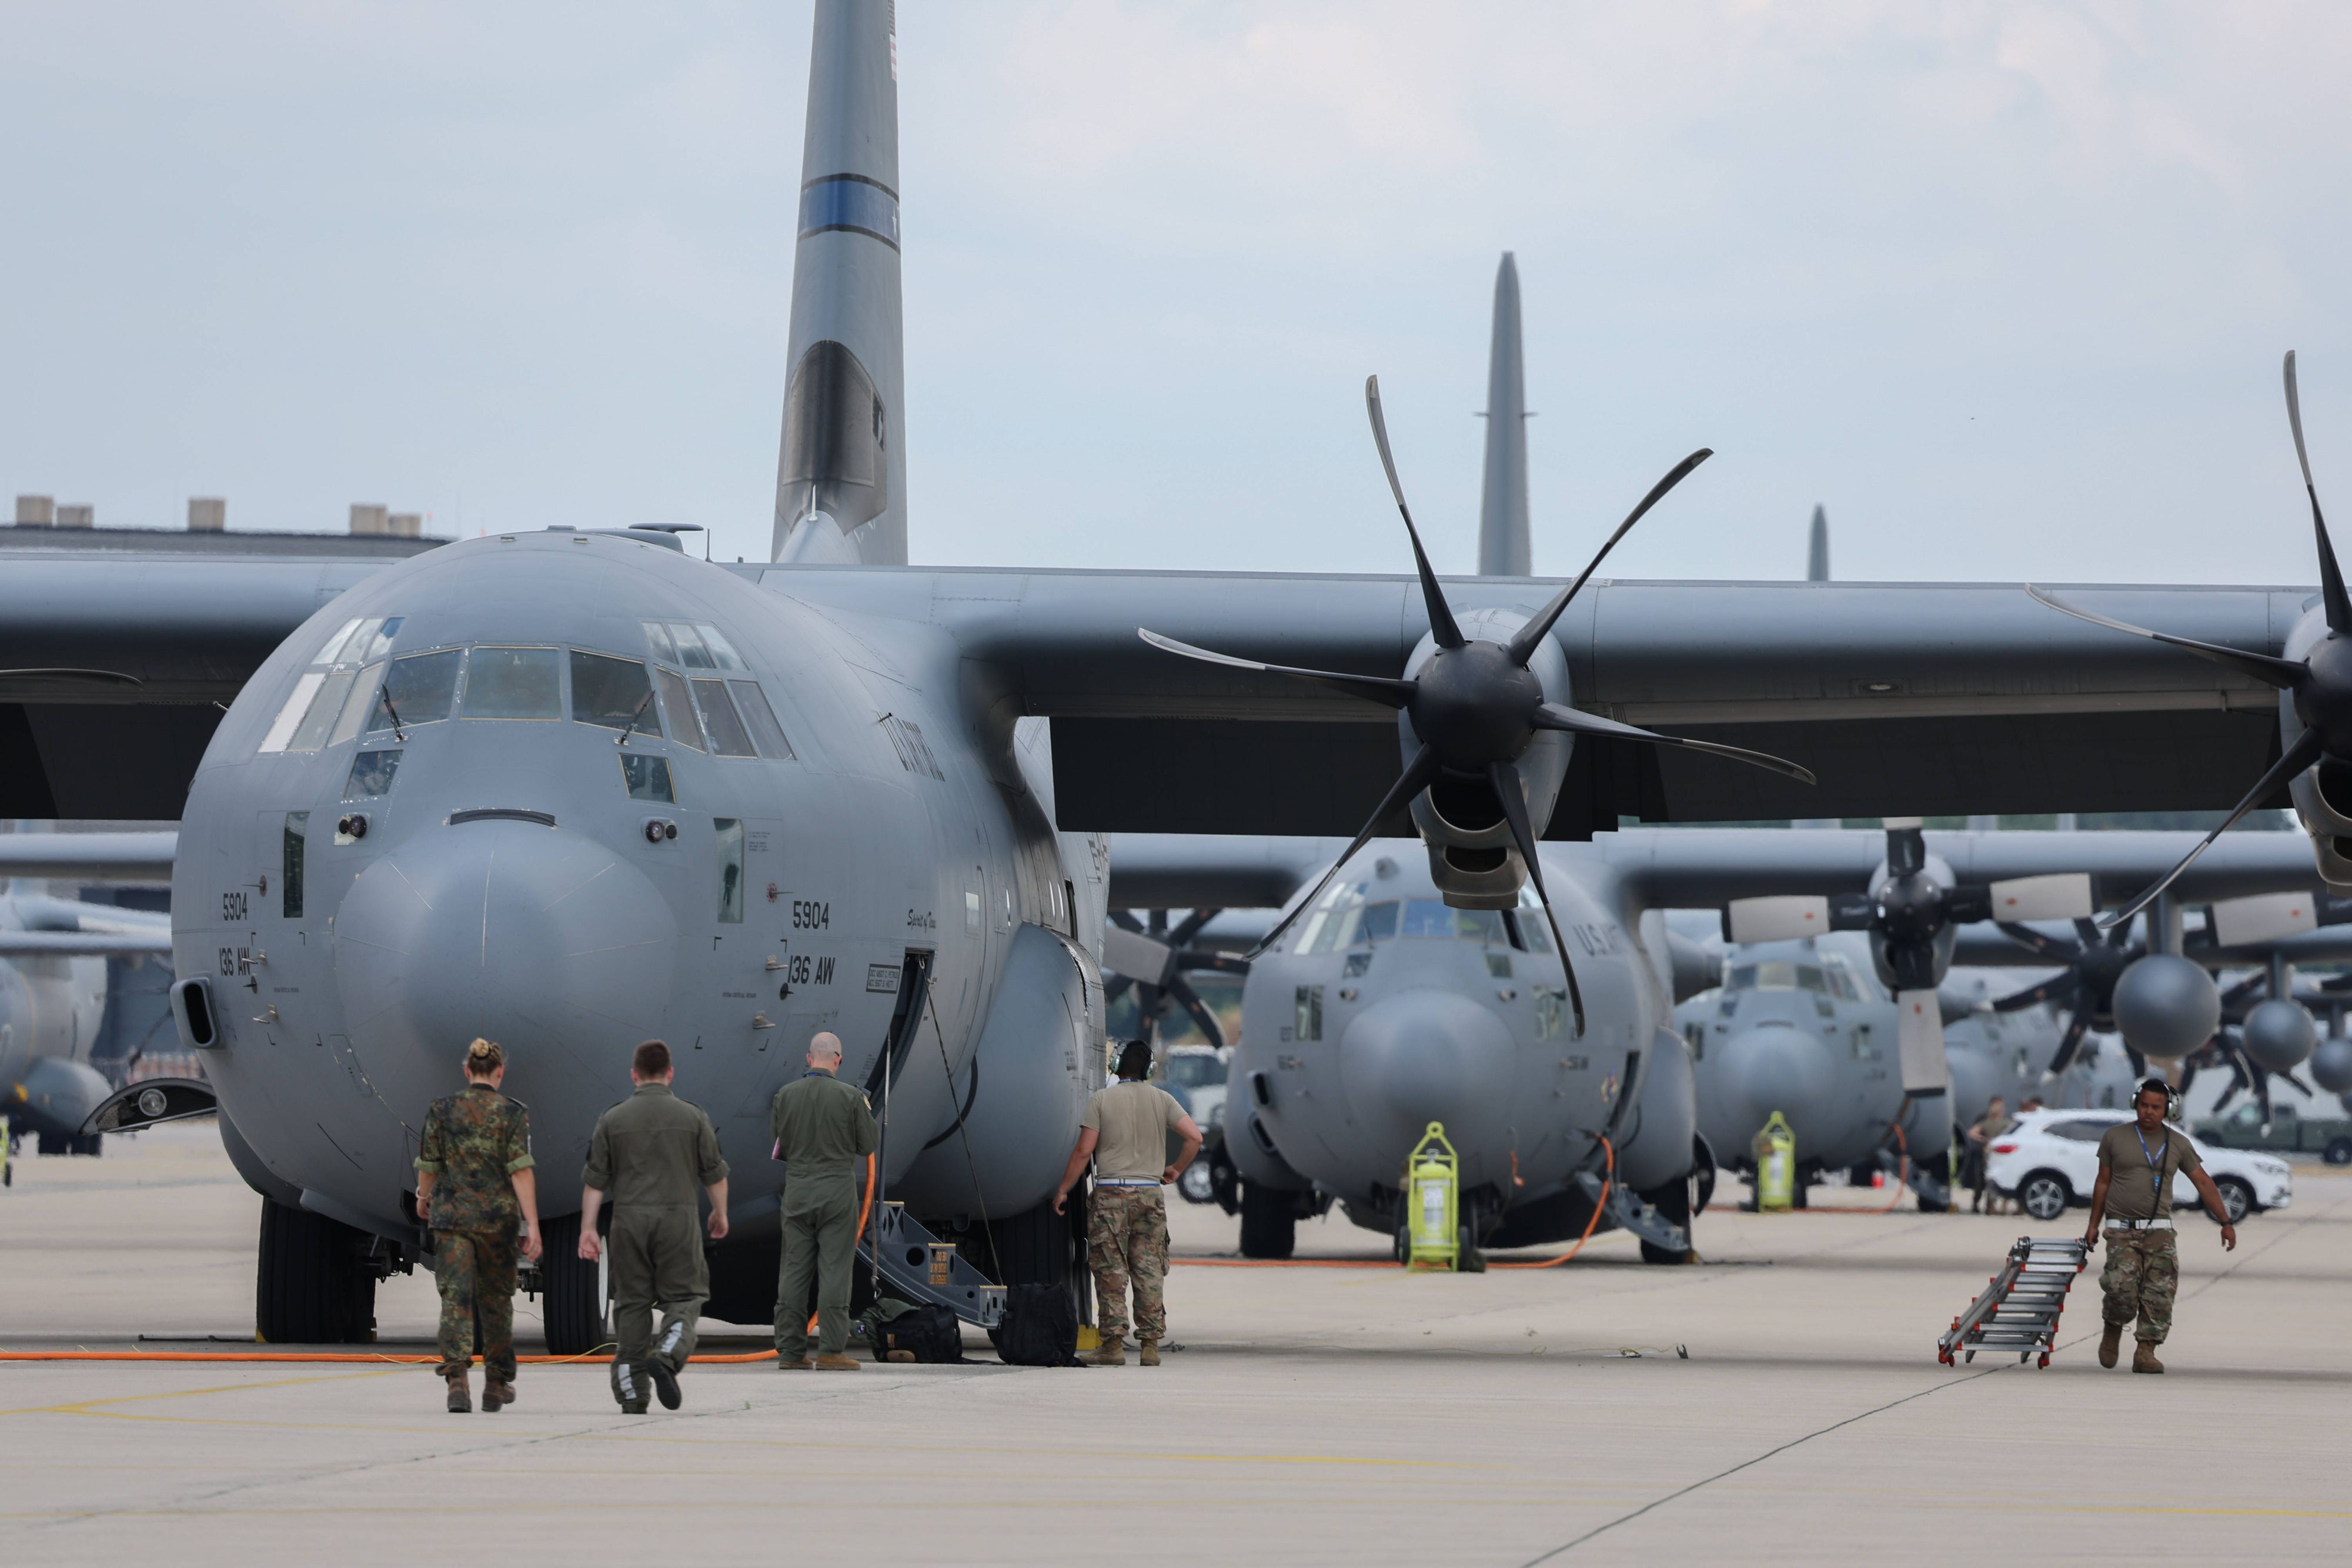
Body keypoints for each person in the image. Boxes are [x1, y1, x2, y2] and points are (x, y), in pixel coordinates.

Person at [579, 1040, 730, 1413]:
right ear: (670, 1074)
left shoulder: (612, 1119)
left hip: (628, 1223)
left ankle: (632, 1394)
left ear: (634, 1075)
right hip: (677, 1221)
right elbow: (714, 1174)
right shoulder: (693, 1117)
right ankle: (668, 1352)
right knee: (686, 1297)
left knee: (631, 1305)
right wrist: (720, 1213)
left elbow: (595, 1182)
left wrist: (587, 1229)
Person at [1053, 1039, 1201, 1368]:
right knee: (1149, 1269)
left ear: (1116, 1066)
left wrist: (1064, 1189)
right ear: (1149, 1069)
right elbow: (1195, 1137)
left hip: (1110, 1197)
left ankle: (1113, 1345)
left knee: (1111, 1270)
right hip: (1150, 1195)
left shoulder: (1101, 1100)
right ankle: (1150, 1346)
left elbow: (1083, 1151)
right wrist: (1176, 1168)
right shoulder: (1163, 1099)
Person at [414, 1038, 541, 1415]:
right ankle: (496, 1384)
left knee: (456, 1298)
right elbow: (520, 1170)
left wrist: (423, 1198)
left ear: (467, 1071)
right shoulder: (513, 1114)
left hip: (451, 1219)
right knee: (497, 1300)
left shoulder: (442, 1110)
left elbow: (430, 1164)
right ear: (500, 1073)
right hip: (496, 1223)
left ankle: (457, 1381)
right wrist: (532, 1223)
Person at [2082, 1077, 2237, 1373]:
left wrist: (2225, 1222)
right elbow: (2103, 1182)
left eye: (2156, 1107)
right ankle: (2113, 1326)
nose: (2149, 1113)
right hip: (2121, 1230)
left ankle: (2145, 1352)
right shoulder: (2115, 1138)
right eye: (2144, 1106)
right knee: (2121, 1290)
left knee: (2159, 1293)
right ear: (2135, 1105)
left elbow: (2203, 1182)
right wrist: (2093, 1225)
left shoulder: (2178, 1143)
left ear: (2168, 1109)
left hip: (2160, 1231)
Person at [770, 1031, 878, 1371]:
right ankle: (831, 1350)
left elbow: (780, 1142)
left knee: (793, 1270)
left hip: (798, 1190)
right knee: (834, 1271)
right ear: (838, 1060)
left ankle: (790, 1352)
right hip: (836, 1194)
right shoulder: (851, 1097)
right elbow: (867, 1144)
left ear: (808, 1058)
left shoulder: (785, 1096)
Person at [1964, 1096, 2012, 1214]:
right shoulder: (2006, 1123)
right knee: (1996, 1180)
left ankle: (1988, 1206)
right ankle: (1995, 1206)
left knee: (1984, 1181)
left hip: (1989, 1155)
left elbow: (1971, 1133)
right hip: (2000, 1156)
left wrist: (1984, 1139)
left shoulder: (1986, 1122)